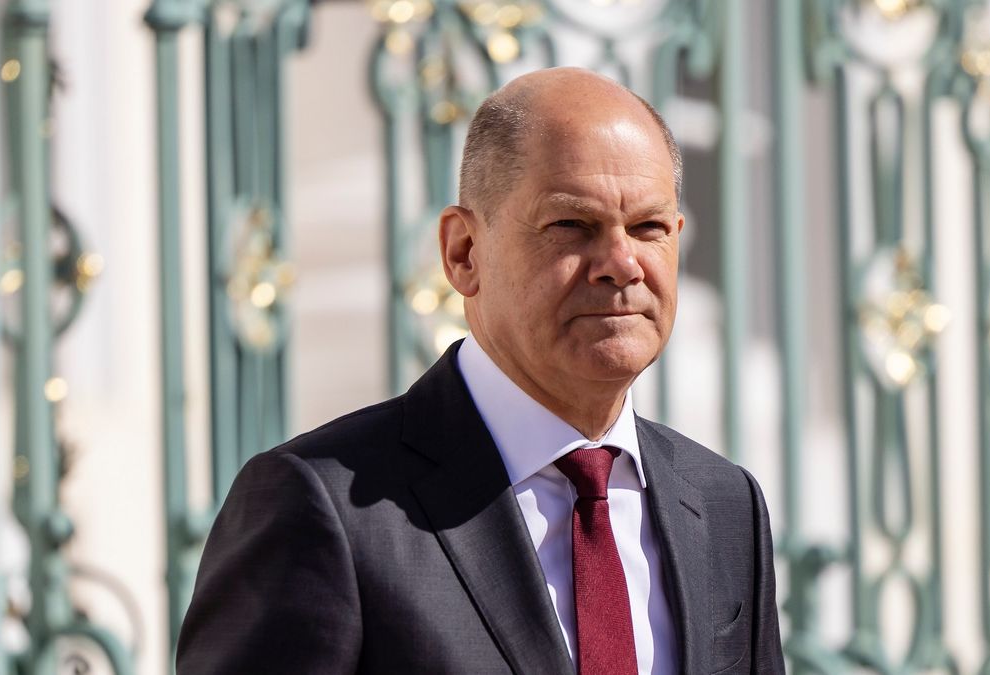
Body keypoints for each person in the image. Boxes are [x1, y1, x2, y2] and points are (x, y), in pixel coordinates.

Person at [176, 67, 784, 675]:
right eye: (571, 225)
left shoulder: (725, 503)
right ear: (463, 252)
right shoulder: (323, 504)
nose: (621, 263)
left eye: (649, 228)